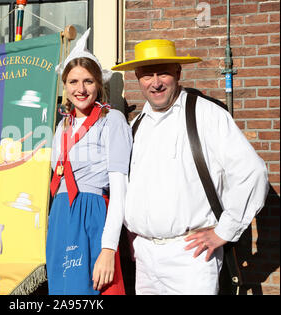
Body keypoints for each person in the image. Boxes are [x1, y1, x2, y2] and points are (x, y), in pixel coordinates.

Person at [112, 39, 269, 295]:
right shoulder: (137, 126)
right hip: (144, 257)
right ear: (137, 78)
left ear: (178, 73)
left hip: (190, 256)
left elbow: (252, 172)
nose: (156, 82)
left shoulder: (207, 115)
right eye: (146, 74)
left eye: (163, 72)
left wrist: (225, 231)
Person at [47, 29, 133, 295]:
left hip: (93, 216)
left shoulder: (113, 120)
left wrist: (108, 249)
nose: (80, 89)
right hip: (61, 218)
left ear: (99, 84)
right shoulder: (62, 125)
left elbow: (120, 192)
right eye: (73, 82)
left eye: (88, 81)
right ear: (65, 85)